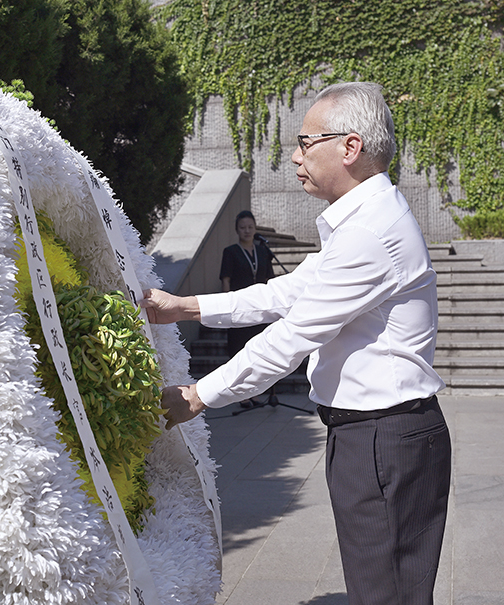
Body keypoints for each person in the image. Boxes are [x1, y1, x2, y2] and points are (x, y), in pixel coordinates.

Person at [142, 82, 451, 605]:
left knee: (385, 594)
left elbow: (294, 335)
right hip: (376, 436)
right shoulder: (362, 219)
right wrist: (187, 306)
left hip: (382, 439)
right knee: (384, 589)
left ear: (349, 147)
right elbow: (291, 290)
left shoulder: (371, 232)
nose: (294, 155)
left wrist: (198, 396)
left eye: (306, 142)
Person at [219, 210, 274, 407]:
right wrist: (226, 307)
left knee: (258, 351)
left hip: (259, 309)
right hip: (238, 307)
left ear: (255, 228)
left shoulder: (262, 251)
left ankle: (255, 392)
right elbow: (226, 279)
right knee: (239, 351)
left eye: (250, 227)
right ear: (237, 230)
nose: (247, 231)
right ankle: (241, 394)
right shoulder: (231, 252)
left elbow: (269, 279)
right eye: (243, 228)